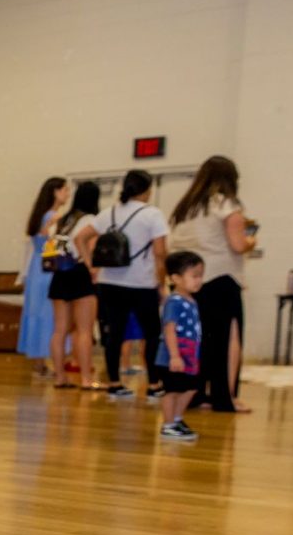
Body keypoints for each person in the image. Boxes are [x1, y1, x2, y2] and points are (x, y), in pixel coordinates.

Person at [168, 156, 255, 413]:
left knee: (199, 339)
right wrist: (252, 241)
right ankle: (225, 397)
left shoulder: (186, 208)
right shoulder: (226, 204)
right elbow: (238, 244)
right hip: (221, 279)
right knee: (229, 338)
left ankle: (196, 393)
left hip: (190, 281)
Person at [72, 170, 169, 400]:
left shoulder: (108, 213)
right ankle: (154, 384)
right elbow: (160, 253)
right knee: (152, 333)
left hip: (110, 282)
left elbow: (80, 238)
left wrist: (91, 267)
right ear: (147, 190)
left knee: (114, 334)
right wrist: (161, 282)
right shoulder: (153, 215)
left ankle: (115, 383)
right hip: (142, 282)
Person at [45, 180, 101, 390]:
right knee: (84, 330)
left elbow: (53, 249)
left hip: (60, 274)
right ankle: (87, 378)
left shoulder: (63, 220)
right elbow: (86, 244)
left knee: (59, 330)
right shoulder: (91, 220)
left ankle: (60, 376)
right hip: (80, 273)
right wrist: (91, 267)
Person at [17, 177, 67, 373]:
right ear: (55, 192)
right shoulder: (54, 217)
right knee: (51, 316)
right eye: (64, 190)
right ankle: (54, 361)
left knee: (36, 313)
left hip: (36, 268)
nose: (67, 194)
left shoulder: (39, 216)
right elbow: (55, 247)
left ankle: (39, 362)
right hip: (50, 269)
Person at [157, 251, 205, 441]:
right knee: (173, 390)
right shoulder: (175, 301)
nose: (199, 280)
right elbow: (169, 329)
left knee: (191, 387)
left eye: (201, 275)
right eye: (194, 276)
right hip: (173, 355)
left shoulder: (191, 300)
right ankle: (168, 424)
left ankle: (176, 419)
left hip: (189, 353)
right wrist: (175, 356)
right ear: (176, 278)